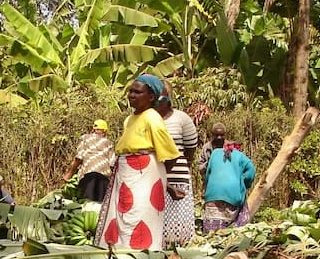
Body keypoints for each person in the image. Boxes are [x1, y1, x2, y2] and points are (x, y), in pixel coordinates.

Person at [94, 75, 180, 250]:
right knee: (123, 217)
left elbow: (171, 154)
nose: (131, 95)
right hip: (126, 176)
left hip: (143, 176)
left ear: (151, 97)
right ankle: (119, 256)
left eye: (137, 92)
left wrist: (160, 179)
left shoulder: (152, 118)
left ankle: (139, 258)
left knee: (140, 215)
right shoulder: (129, 119)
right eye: (131, 91)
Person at [156, 80, 199, 245]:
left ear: (169, 99)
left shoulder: (181, 118)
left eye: (163, 98)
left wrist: (184, 164)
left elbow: (191, 147)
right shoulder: (149, 119)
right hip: (154, 178)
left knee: (178, 228)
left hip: (178, 177)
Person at [202, 136, 256, 232]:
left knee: (211, 236)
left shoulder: (214, 153)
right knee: (232, 232)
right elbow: (251, 169)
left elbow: (208, 175)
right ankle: (234, 235)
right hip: (232, 198)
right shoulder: (240, 155)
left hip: (212, 197)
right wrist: (243, 181)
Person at [63, 119, 114, 202]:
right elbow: (112, 164)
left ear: (93, 129)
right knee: (100, 206)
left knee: (87, 204)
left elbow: (79, 158)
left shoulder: (85, 139)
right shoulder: (108, 143)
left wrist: (70, 174)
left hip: (88, 176)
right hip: (104, 179)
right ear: (105, 131)